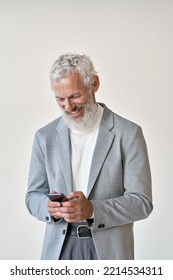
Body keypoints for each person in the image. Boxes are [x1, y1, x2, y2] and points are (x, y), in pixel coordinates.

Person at [25, 53, 153, 260]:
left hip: (110, 253)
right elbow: (32, 196)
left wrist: (93, 209)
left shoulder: (128, 134)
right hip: (58, 251)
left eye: (75, 96)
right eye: (60, 99)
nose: (68, 107)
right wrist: (48, 208)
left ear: (94, 83)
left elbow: (142, 202)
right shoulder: (44, 137)